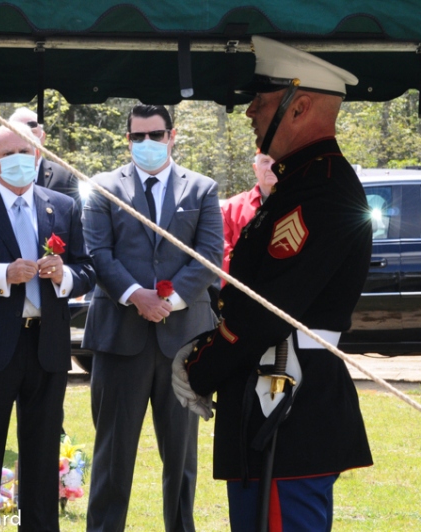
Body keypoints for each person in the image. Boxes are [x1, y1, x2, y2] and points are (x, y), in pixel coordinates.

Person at [177, 35, 373, 531]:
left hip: (289, 403)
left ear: (299, 106)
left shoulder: (320, 189)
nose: (250, 112)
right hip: (274, 399)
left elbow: (266, 310)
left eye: (261, 100)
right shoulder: (301, 183)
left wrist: (202, 366)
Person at [81, 104, 223, 532]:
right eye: (137, 136)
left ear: (172, 136)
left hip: (184, 343)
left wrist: (168, 300)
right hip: (119, 338)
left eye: (155, 135)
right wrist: (135, 296)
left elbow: (209, 254)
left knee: (182, 459)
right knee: (112, 455)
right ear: (127, 139)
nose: (147, 143)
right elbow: (97, 253)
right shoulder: (103, 187)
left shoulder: (202, 188)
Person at [0, 125, 95, 531]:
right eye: (9, 153)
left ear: (38, 155)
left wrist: (65, 275)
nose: (19, 160)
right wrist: (2, 274)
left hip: (47, 344)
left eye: (26, 151)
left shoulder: (62, 205)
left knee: (42, 455)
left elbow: (87, 267)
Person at [0, 107, 81, 203]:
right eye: (17, 131)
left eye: (32, 132)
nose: (25, 137)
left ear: (43, 137)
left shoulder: (65, 176)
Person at [221, 150, 276, 281]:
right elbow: (220, 252)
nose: (271, 167)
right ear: (255, 168)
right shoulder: (232, 208)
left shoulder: (302, 205)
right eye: (265, 161)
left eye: (277, 161)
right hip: (240, 287)